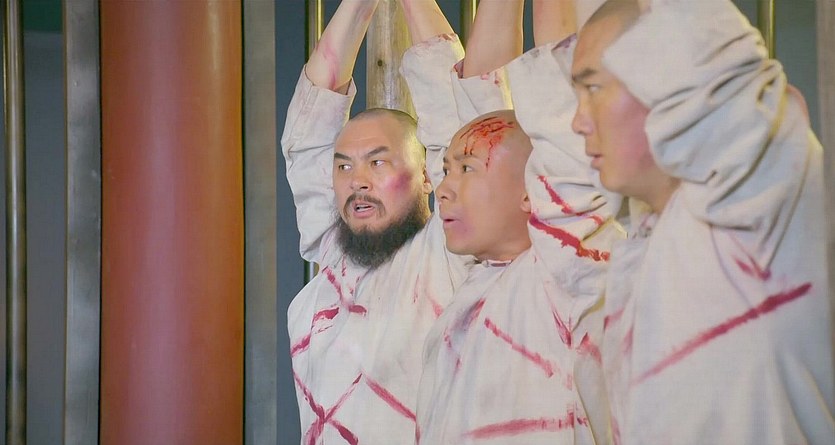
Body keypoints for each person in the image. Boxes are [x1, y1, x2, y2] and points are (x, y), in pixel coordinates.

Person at [570, 0, 834, 443]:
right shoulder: (649, 249)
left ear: (674, 75)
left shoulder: (753, 197)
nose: (577, 121)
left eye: (593, 87)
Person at [402, 1, 623, 443]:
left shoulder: (568, 267)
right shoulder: (474, 280)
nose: (442, 190)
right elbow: (481, 93)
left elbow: (555, 98)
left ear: (533, 189)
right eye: (446, 170)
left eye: (467, 169)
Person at [281, 1, 473, 443]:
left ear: (429, 175)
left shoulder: (449, 257)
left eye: (378, 162)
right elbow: (307, 135)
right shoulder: (333, 259)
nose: (358, 181)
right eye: (344, 166)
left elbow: (458, 123)